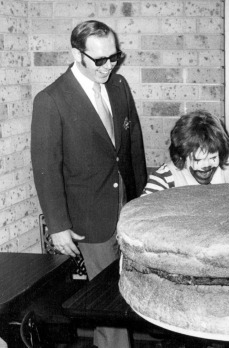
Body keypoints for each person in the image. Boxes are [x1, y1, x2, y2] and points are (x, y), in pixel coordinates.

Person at [31, 20, 147, 348]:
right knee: (108, 298)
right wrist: (58, 226)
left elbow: (132, 146)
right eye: (100, 60)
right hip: (88, 217)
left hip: (128, 207)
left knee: (123, 293)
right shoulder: (51, 100)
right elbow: (45, 168)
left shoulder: (120, 85)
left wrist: (143, 199)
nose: (109, 66)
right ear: (76, 54)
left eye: (115, 57)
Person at [143, 111, 229, 195]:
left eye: (213, 157)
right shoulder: (164, 178)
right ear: (181, 157)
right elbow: (142, 217)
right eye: (197, 160)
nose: (206, 166)